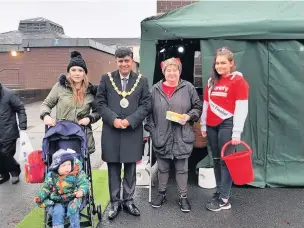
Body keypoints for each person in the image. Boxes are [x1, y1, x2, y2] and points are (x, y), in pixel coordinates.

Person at [95, 47, 151, 220]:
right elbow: (100, 103)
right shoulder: (106, 79)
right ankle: (115, 202)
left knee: (130, 168)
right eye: (120, 61)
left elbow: (146, 104)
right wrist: (114, 119)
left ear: (132, 61)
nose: (124, 64)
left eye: (127, 60)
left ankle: (128, 200)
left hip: (132, 130)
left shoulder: (142, 80)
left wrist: (131, 120)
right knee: (112, 167)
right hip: (112, 130)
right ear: (116, 61)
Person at [144, 57, 202, 212]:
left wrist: (189, 116)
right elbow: (147, 113)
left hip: (182, 135)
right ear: (164, 72)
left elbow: (198, 107)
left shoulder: (188, 87)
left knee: (182, 168)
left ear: (179, 71)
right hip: (161, 136)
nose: (171, 73)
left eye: (174, 70)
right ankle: (161, 194)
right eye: (168, 70)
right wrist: (153, 131)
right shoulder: (155, 89)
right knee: (162, 168)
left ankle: (183, 197)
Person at [200, 47, 249, 212]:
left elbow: (241, 108)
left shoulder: (238, 81)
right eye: (217, 63)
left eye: (223, 63)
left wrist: (237, 132)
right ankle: (219, 191)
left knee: (226, 162)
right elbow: (206, 104)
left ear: (231, 63)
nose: (219, 66)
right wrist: (203, 124)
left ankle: (224, 199)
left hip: (227, 124)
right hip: (212, 126)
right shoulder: (211, 81)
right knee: (215, 159)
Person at [40, 51, 100, 154]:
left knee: (81, 166)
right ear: (69, 72)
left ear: (85, 73)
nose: (77, 73)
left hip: (81, 136)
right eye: (74, 70)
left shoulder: (91, 91)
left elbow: (98, 112)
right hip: (61, 135)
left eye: (80, 70)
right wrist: (46, 116)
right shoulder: (60, 87)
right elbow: (46, 104)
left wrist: (89, 118)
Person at [34, 149, 89, 228]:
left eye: (69, 164)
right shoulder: (52, 176)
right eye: (64, 165)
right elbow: (45, 189)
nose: (67, 167)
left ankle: (75, 226)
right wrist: (39, 197)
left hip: (73, 197)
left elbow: (84, 183)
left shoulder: (77, 173)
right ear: (56, 167)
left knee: (73, 209)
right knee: (57, 212)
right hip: (57, 200)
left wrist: (81, 191)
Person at [0, 83, 27, 184]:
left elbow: (20, 108)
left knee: (5, 154)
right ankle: (4, 174)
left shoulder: (9, 94)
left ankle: (15, 171)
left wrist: (22, 125)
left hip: (9, 131)